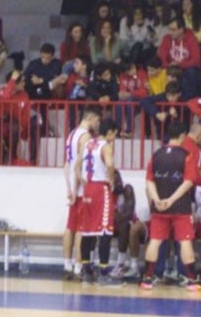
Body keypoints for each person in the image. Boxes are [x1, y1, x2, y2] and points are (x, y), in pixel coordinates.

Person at [140, 122, 201, 291]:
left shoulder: (156, 154)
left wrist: (158, 200)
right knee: (185, 242)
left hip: (159, 207)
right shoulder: (187, 155)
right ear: (182, 136)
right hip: (180, 207)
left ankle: (147, 279)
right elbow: (188, 183)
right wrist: (171, 200)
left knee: (155, 241)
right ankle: (191, 281)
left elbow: (149, 182)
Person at [75, 118, 118, 284]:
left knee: (87, 230)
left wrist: (82, 180)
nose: (114, 138)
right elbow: (110, 164)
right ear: (109, 132)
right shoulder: (105, 146)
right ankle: (104, 272)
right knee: (104, 231)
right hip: (101, 188)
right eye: (114, 134)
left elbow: (77, 165)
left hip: (88, 189)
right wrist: (112, 180)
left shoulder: (87, 144)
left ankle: (86, 271)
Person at [62, 106, 100, 280]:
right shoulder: (85, 137)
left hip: (72, 187)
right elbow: (79, 165)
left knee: (70, 227)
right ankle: (78, 268)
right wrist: (80, 185)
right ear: (90, 117)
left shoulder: (71, 134)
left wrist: (69, 188)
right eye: (97, 120)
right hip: (81, 188)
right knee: (81, 229)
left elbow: (66, 165)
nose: (98, 124)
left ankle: (66, 265)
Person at [157, 17, 201, 98]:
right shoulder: (166, 38)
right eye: (169, 29)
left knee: (191, 72)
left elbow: (196, 61)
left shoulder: (192, 39)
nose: (170, 32)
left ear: (181, 29)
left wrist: (179, 65)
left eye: (173, 30)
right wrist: (170, 65)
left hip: (185, 70)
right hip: (170, 68)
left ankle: (187, 102)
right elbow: (161, 59)